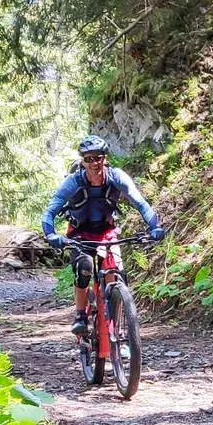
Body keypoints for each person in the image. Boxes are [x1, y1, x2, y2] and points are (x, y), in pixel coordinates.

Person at [41, 136, 164, 337]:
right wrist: (51, 234)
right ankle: (80, 316)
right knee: (85, 267)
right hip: (79, 235)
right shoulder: (73, 182)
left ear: (104, 159)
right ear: (83, 161)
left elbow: (140, 202)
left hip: (107, 232)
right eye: (88, 159)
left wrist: (154, 226)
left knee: (115, 272)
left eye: (98, 158)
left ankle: (116, 328)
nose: (94, 163)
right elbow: (50, 210)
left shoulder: (117, 177)